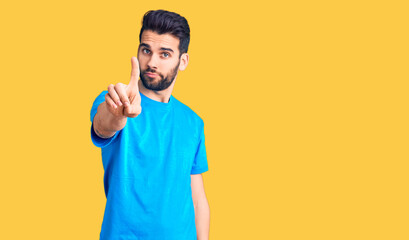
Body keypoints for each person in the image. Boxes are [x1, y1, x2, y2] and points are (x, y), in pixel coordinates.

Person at [89, 10, 210, 240]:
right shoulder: (115, 100)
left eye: (164, 54)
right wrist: (118, 114)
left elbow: (197, 198)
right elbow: (103, 126)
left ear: (182, 61)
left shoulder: (193, 122)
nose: (151, 62)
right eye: (146, 51)